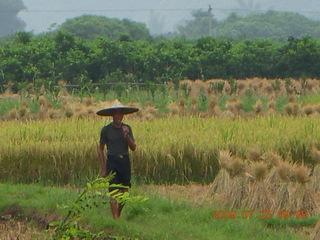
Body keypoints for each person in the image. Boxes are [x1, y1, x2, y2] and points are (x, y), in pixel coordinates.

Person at [97, 100, 139, 219]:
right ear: (112, 115)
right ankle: (116, 219)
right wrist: (104, 169)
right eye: (116, 113)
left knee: (124, 192)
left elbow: (133, 147)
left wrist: (126, 135)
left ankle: (118, 215)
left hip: (124, 161)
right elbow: (100, 149)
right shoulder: (106, 130)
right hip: (112, 161)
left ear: (123, 115)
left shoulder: (127, 128)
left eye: (120, 113)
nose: (118, 116)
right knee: (113, 192)